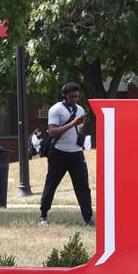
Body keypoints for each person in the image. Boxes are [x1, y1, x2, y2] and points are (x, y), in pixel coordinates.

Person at [39, 83, 94, 227]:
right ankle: (43, 215)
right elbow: (52, 132)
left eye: (76, 96)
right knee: (51, 184)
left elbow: (80, 129)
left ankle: (88, 219)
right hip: (58, 153)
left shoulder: (80, 109)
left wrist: (80, 134)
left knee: (83, 186)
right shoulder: (56, 109)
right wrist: (73, 123)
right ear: (64, 96)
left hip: (76, 153)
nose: (74, 99)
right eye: (71, 97)